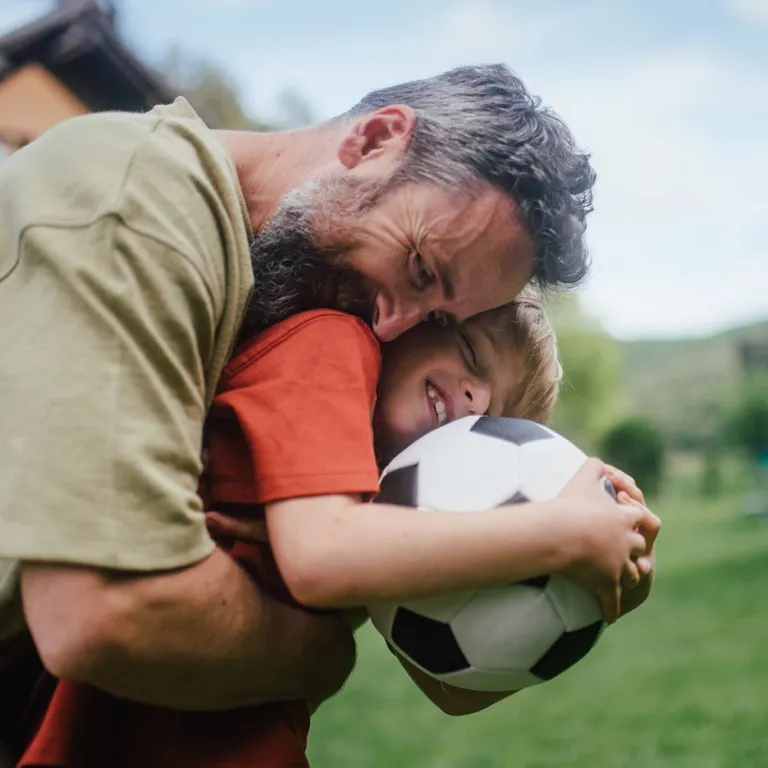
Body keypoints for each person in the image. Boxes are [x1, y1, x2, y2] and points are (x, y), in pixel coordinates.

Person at [0, 63, 598, 723]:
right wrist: (322, 657)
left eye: (438, 321)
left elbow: (450, 686)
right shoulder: (137, 203)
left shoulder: (288, 299)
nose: (391, 325)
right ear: (374, 142)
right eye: (421, 268)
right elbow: (105, 612)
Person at [14, 298, 658, 768]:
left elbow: (451, 691)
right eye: (470, 354)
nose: (472, 396)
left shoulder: (391, 508)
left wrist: (604, 592)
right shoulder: (331, 344)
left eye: (493, 407)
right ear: (414, 317)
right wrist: (561, 532)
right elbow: (319, 558)